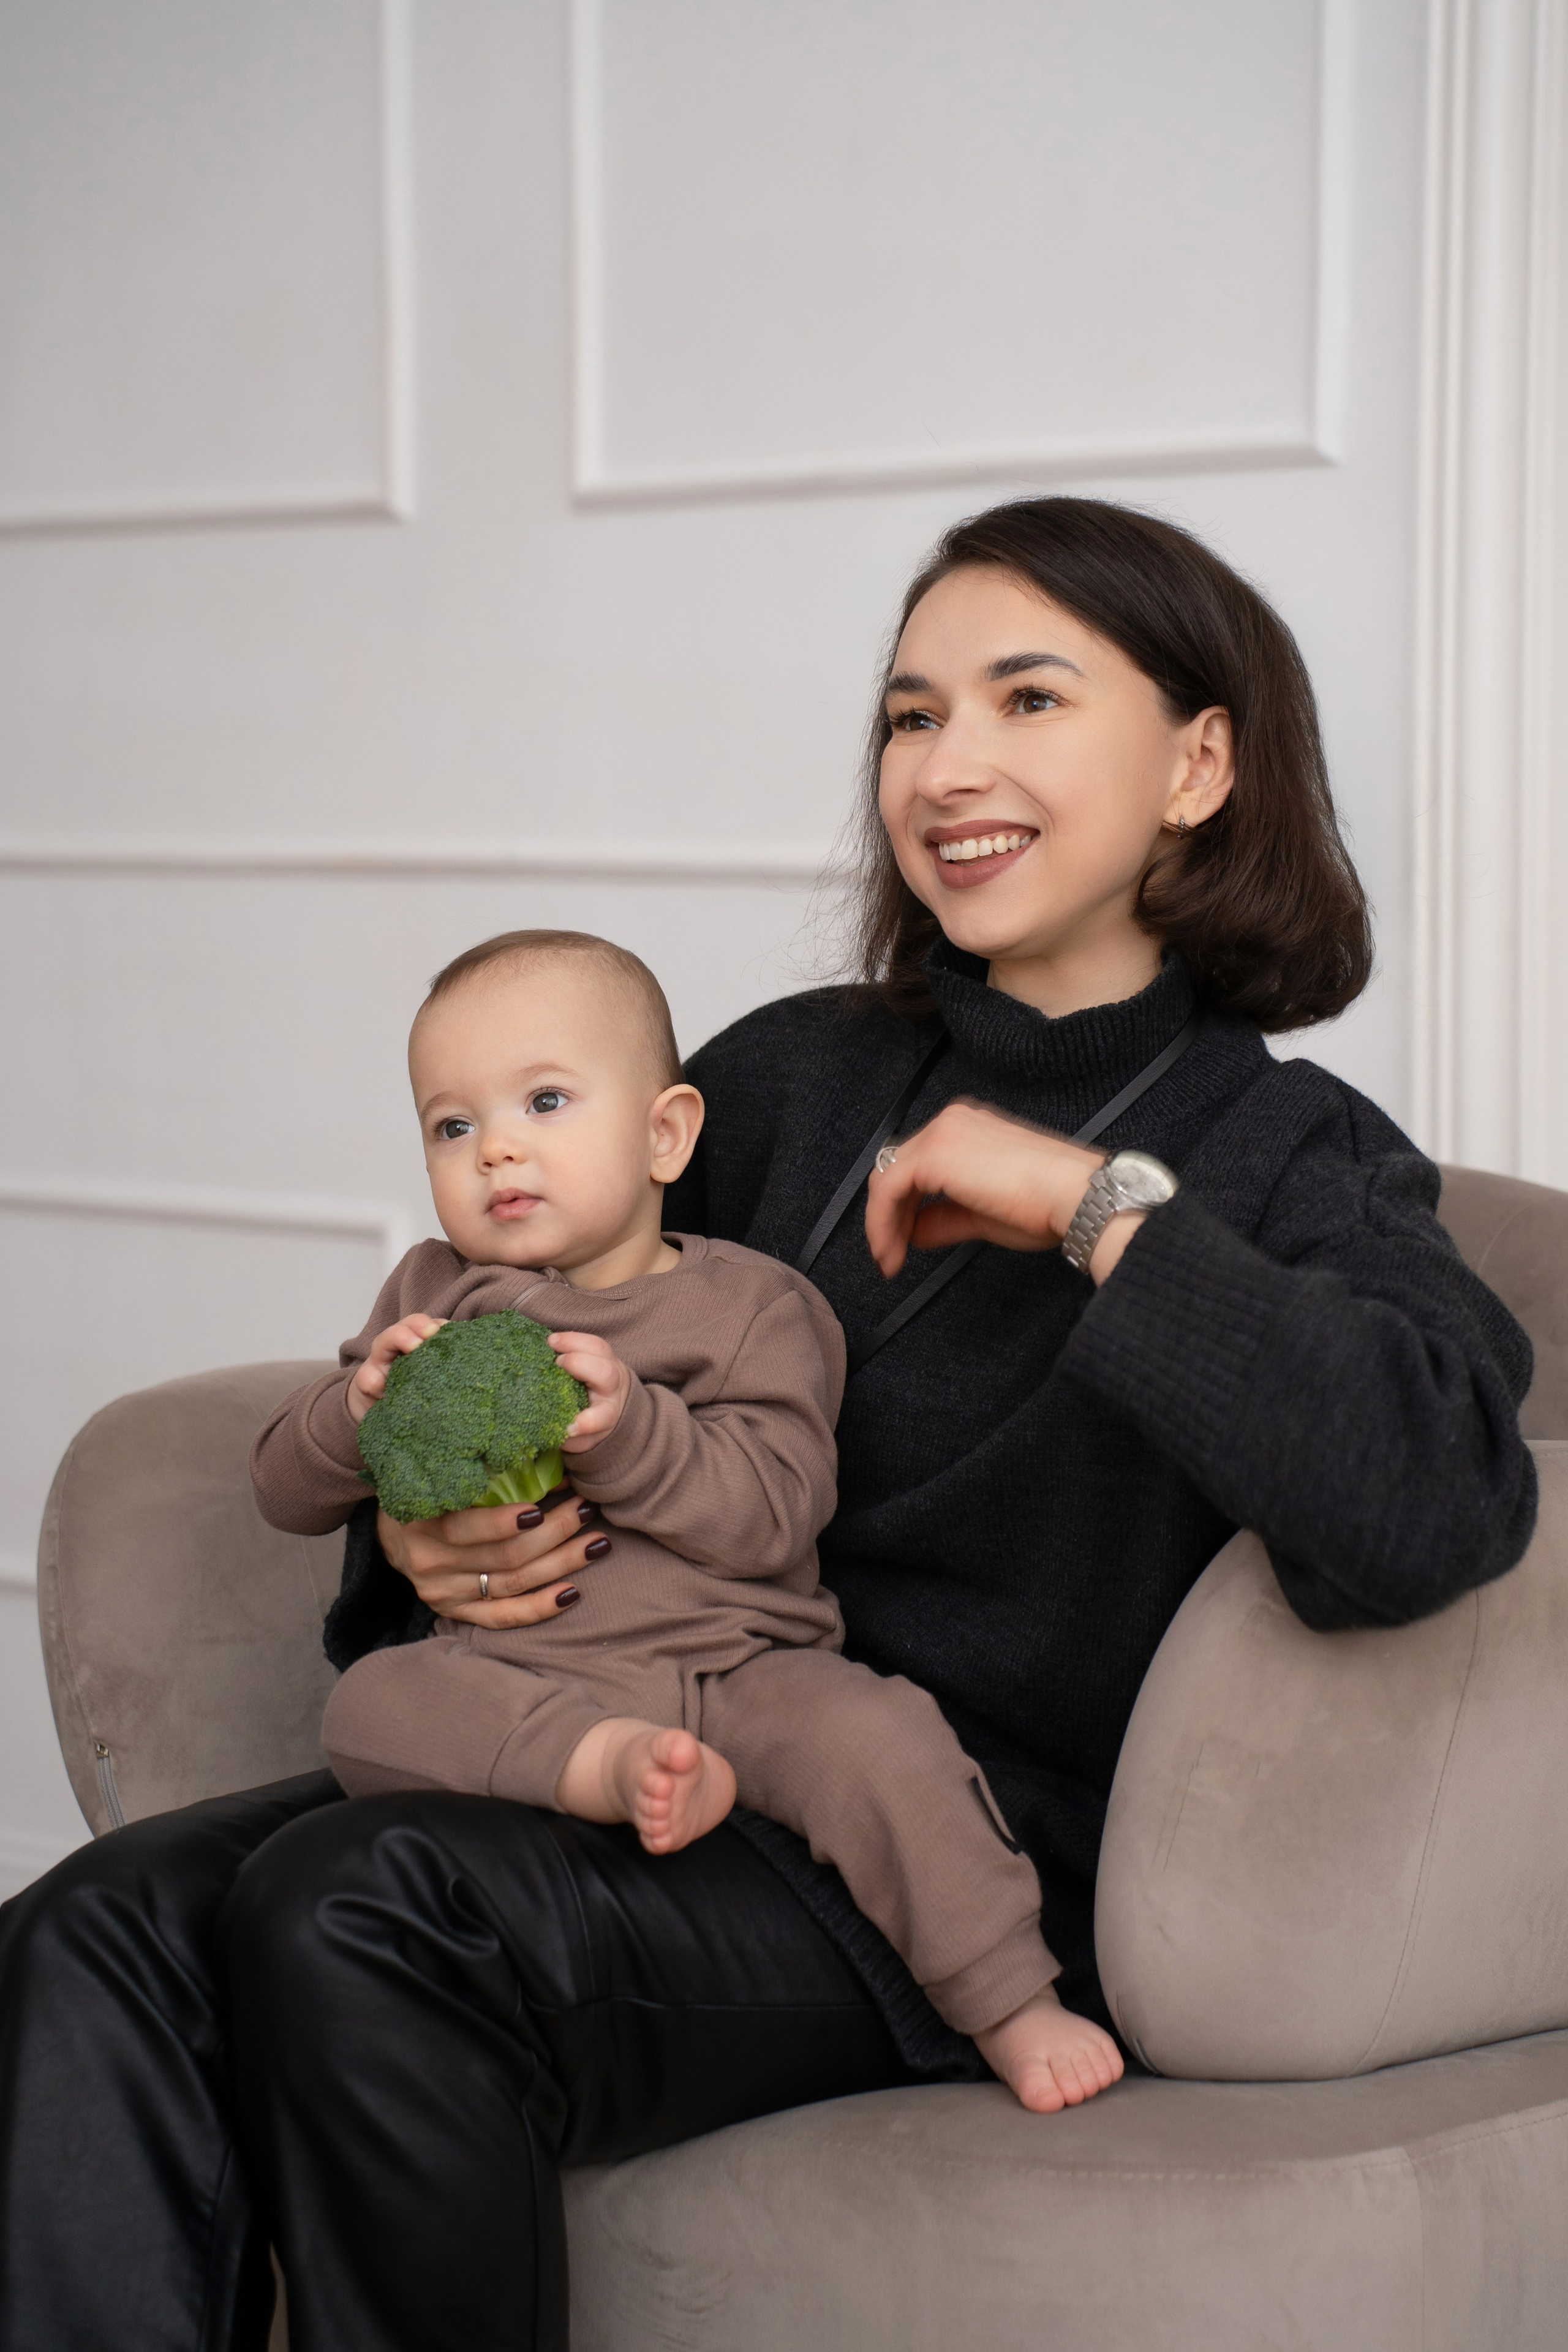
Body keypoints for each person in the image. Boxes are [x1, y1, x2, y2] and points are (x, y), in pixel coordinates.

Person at [0, 497, 1536, 2352]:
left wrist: (1089, 1205)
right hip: (613, 1729)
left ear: (1202, 761)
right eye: (908, 716)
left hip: (919, 1847)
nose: (945, 766)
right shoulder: (793, 1073)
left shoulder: (1301, 1160)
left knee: (359, 1908)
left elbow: (1430, 1505)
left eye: (1026, 699)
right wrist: (426, 1535)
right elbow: (532, 1322)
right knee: (89, 1928)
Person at [254, 927, 1110, 2104]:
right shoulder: (431, 1294)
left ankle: (1011, 1997)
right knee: (372, 1705)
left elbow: (773, 1513)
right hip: (524, 1674)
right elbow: (282, 1490)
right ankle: (605, 1769)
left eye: (544, 1101)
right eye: (452, 1126)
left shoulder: (752, 1306)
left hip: (738, 1671)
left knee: (886, 1746)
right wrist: (355, 1415)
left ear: (666, 1134)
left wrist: (633, 1433)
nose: (495, 1147)